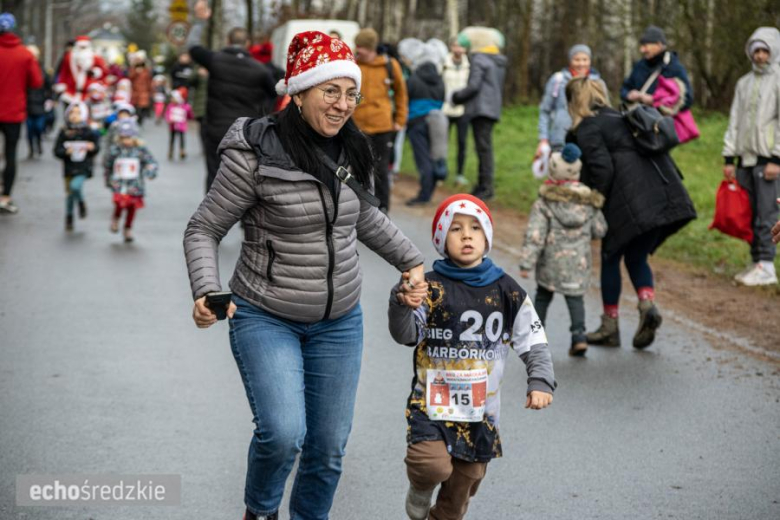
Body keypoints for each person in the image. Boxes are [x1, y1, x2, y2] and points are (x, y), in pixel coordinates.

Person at [183, 30, 427, 520]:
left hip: (339, 321)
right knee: (283, 433)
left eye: (350, 93)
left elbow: (363, 216)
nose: (342, 105)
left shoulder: (353, 148)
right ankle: (261, 510)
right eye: (329, 91)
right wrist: (207, 289)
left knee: (329, 446)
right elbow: (203, 228)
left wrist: (412, 260)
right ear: (297, 93)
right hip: (265, 315)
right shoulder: (254, 153)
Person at [387, 193, 555, 520]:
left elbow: (533, 339)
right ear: (441, 240)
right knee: (430, 465)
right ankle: (420, 488)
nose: (466, 235)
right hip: (431, 404)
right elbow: (405, 335)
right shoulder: (429, 287)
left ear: (487, 237)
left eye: (475, 228)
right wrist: (401, 303)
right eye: (456, 228)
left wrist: (541, 381)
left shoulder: (508, 291)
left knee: (462, 490)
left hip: (481, 412)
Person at [566, 77, 696, 349]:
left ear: (574, 101)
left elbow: (603, 168)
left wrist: (592, 201)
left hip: (629, 201)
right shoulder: (624, 116)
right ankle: (647, 304)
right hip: (664, 194)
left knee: (610, 255)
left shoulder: (588, 126)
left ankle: (610, 326)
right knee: (636, 256)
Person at [518, 144, 607, 357]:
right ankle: (579, 337)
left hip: (551, 260)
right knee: (575, 298)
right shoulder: (588, 201)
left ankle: (535, 337)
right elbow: (600, 229)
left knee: (543, 296)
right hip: (578, 262)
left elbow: (536, 234)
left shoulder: (545, 202)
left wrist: (527, 262)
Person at [188, 0, 277, 192]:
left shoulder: (215, 61)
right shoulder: (260, 70)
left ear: (228, 41)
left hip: (215, 128)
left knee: (214, 172)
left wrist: (200, 21)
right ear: (247, 44)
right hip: (245, 132)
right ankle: (244, 217)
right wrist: (262, 117)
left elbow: (193, 46)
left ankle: (212, 218)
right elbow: (274, 95)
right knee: (243, 176)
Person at [722, 27, 780, 286]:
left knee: (767, 213)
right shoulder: (743, 83)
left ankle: (767, 264)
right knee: (751, 212)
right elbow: (735, 119)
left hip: (768, 158)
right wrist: (729, 158)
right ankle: (756, 260)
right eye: (755, 50)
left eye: (764, 50)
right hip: (745, 158)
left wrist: (777, 158)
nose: (759, 55)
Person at [352, 28, 409, 213]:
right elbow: (353, 94)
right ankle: (358, 206)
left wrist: (400, 119)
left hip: (382, 126)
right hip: (356, 126)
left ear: (371, 48)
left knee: (380, 169)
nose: (357, 50)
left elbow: (401, 93)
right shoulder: (353, 65)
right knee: (356, 167)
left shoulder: (389, 65)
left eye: (361, 47)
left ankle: (382, 207)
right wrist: (355, 105)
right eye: (357, 46)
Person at [450, 27, 507, 201]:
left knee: (483, 149)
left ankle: (486, 187)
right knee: (484, 148)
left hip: (480, 108)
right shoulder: (496, 60)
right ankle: (483, 184)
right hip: (491, 107)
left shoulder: (479, 59)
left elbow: (474, 86)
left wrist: (456, 96)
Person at [0, 12, 43, 214]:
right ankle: (5, 197)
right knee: (10, 155)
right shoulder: (25, 54)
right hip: (13, 113)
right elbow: (36, 82)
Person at [535, 44, 607, 162]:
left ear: (590, 60)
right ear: (570, 60)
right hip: (560, 140)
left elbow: (605, 111)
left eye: (585, 59)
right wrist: (543, 139)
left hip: (590, 140)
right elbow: (545, 110)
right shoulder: (557, 80)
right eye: (577, 59)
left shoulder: (598, 83)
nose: (581, 64)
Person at [398, 38, 445, 206]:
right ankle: (429, 191)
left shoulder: (412, 80)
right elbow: (442, 99)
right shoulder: (440, 81)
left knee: (423, 159)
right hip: (437, 121)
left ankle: (423, 195)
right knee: (434, 156)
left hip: (416, 123)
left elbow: (404, 100)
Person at [103, 118, 158, 243]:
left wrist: (150, 171)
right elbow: (107, 164)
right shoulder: (115, 150)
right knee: (120, 202)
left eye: (129, 137)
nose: (126, 141)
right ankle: (116, 218)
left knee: (132, 206)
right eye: (123, 137)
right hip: (119, 183)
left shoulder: (140, 150)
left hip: (135, 184)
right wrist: (108, 178)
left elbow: (151, 162)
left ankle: (128, 228)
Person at [620, 25, 693, 111]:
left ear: (659, 45)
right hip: (639, 120)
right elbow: (625, 89)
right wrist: (628, 95)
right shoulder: (639, 66)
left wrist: (655, 101)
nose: (642, 50)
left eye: (645, 46)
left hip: (663, 122)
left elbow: (687, 99)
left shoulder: (675, 68)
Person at [53, 102, 100, 231]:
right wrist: (65, 152)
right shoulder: (64, 131)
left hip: (83, 166)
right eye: (72, 112)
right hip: (69, 167)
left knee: (75, 186)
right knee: (69, 194)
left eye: (78, 113)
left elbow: (96, 147)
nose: (75, 116)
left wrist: (92, 147)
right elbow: (56, 151)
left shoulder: (88, 131)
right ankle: (69, 216)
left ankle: (80, 202)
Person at [441, 37, 470, 186]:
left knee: (462, 142)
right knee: (443, 142)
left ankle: (459, 174)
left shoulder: (469, 65)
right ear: (451, 47)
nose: (458, 49)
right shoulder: (444, 64)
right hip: (445, 109)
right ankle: (441, 172)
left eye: (461, 47)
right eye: (455, 46)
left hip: (462, 109)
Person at [25, 44, 53, 159]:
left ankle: (39, 145)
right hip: (27, 103)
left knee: (38, 127)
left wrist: (49, 98)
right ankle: (32, 149)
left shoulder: (42, 70)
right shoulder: (24, 69)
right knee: (30, 129)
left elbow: (48, 85)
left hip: (40, 102)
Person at [164, 88, 193, 160]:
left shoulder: (185, 106)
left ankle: (182, 150)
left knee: (182, 138)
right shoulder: (170, 106)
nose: (171, 99)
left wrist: (190, 117)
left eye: (173, 98)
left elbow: (189, 114)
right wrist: (168, 119)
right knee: (172, 138)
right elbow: (167, 113)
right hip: (173, 125)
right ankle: (171, 151)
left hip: (181, 125)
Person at [128, 53, 153, 125]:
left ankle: (140, 119)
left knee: (142, 106)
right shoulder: (133, 69)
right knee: (135, 106)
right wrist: (136, 72)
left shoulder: (146, 70)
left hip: (144, 91)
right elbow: (130, 78)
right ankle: (136, 119)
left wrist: (150, 90)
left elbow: (148, 81)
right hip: (135, 91)